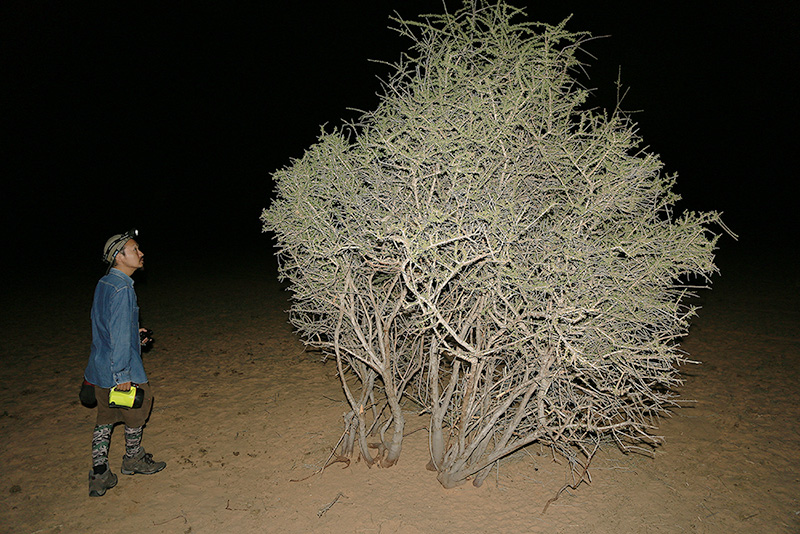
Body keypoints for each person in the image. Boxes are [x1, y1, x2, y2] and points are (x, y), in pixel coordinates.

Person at [84, 229, 166, 497]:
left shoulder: (105, 283)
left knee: (105, 419)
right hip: (122, 367)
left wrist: (134, 335)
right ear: (119, 257)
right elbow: (118, 334)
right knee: (138, 411)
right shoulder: (122, 289)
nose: (141, 254)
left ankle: (99, 473)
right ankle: (133, 458)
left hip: (99, 367)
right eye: (134, 250)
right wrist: (123, 376)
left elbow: (107, 327)